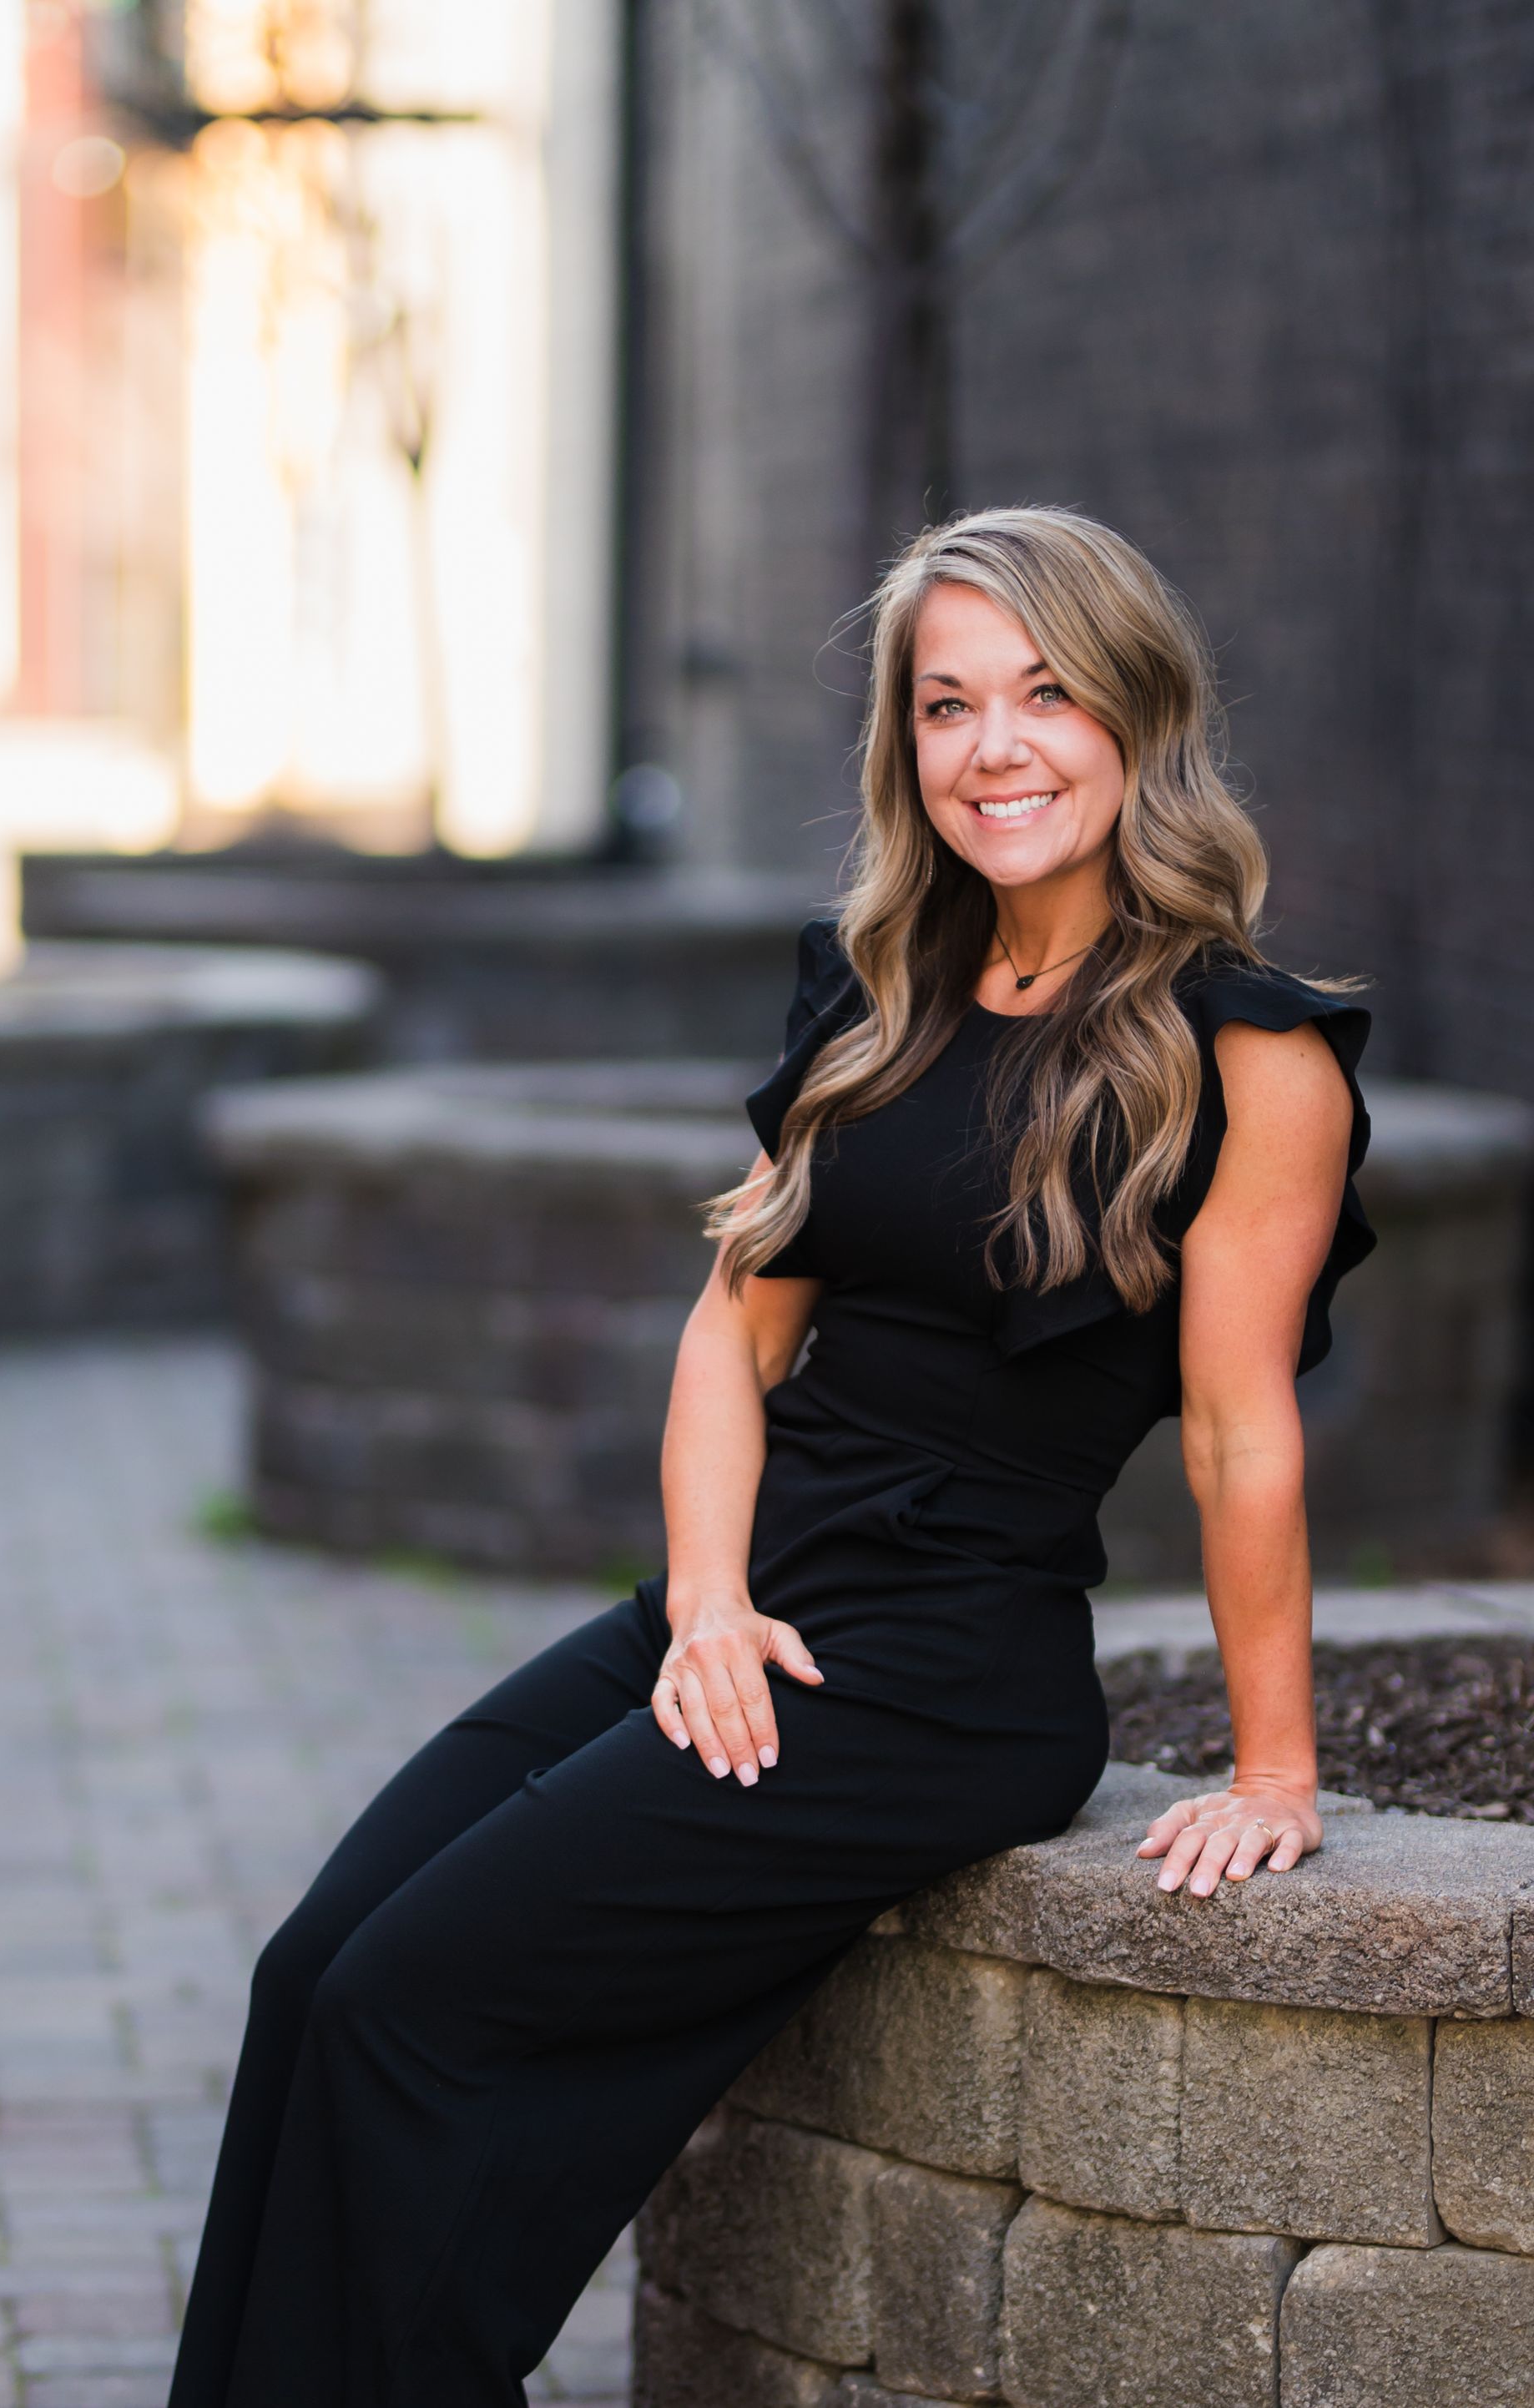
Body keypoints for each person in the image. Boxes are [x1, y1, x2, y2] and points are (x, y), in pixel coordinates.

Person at [168, 505, 1373, 2408]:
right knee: (314, 1970)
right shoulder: (877, 983)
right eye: (947, 704)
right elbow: (735, 1330)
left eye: (1046, 696)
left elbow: (1237, 1429)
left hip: (940, 1669)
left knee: (417, 2012)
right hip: (752, 1612)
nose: (995, 748)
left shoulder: (1246, 1054)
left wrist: (1280, 1767)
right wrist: (707, 1602)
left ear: (1139, 715)